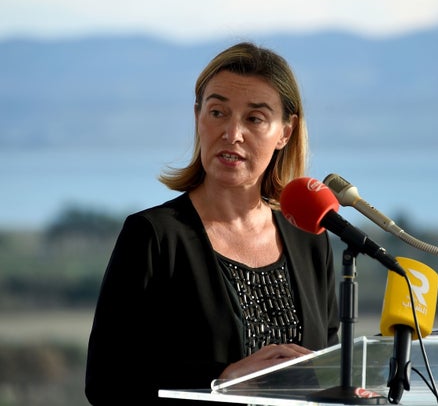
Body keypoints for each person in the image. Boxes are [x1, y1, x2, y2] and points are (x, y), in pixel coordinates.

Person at [85, 42, 340, 405]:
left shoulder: (309, 238)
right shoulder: (154, 236)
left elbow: (328, 369)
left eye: (254, 119)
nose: (232, 133)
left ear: (286, 132)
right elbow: (105, 383)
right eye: (218, 112)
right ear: (198, 117)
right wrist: (221, 380)